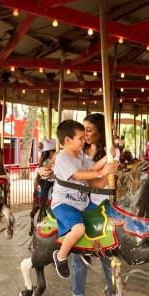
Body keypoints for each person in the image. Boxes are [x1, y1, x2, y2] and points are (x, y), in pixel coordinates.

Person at [51, 120, 116, 282]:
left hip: (81, 203)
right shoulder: (62, 158)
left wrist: (109, 157)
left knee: (96, 225)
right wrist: (102, 174)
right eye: (80, 138)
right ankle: (60, 256)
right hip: (64, 203)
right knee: (79, 229)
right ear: (67, 140)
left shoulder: (80, 155)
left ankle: (83, 250)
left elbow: (93, 167)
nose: (84, 141)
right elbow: (78, 175)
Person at [70, 113, 118, 296]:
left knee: (106, 251)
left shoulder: (112, 154)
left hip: (101, 204)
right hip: (80, 202)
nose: (85, 134)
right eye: (84, 130)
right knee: (77, 252)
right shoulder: (80, 152)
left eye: (89, 130)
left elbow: (102, 182)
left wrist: (78, 179)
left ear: (101, 131)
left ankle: (113, 289)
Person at [33, 139, 57, 219]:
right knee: (45, 192)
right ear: (50, 152)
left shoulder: (58, 160)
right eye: (54, 152)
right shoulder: (46, 161)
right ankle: (41, 209)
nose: (55, 154)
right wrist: (53, 160)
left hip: (55, 181)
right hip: (47, 181)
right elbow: (46, 170)